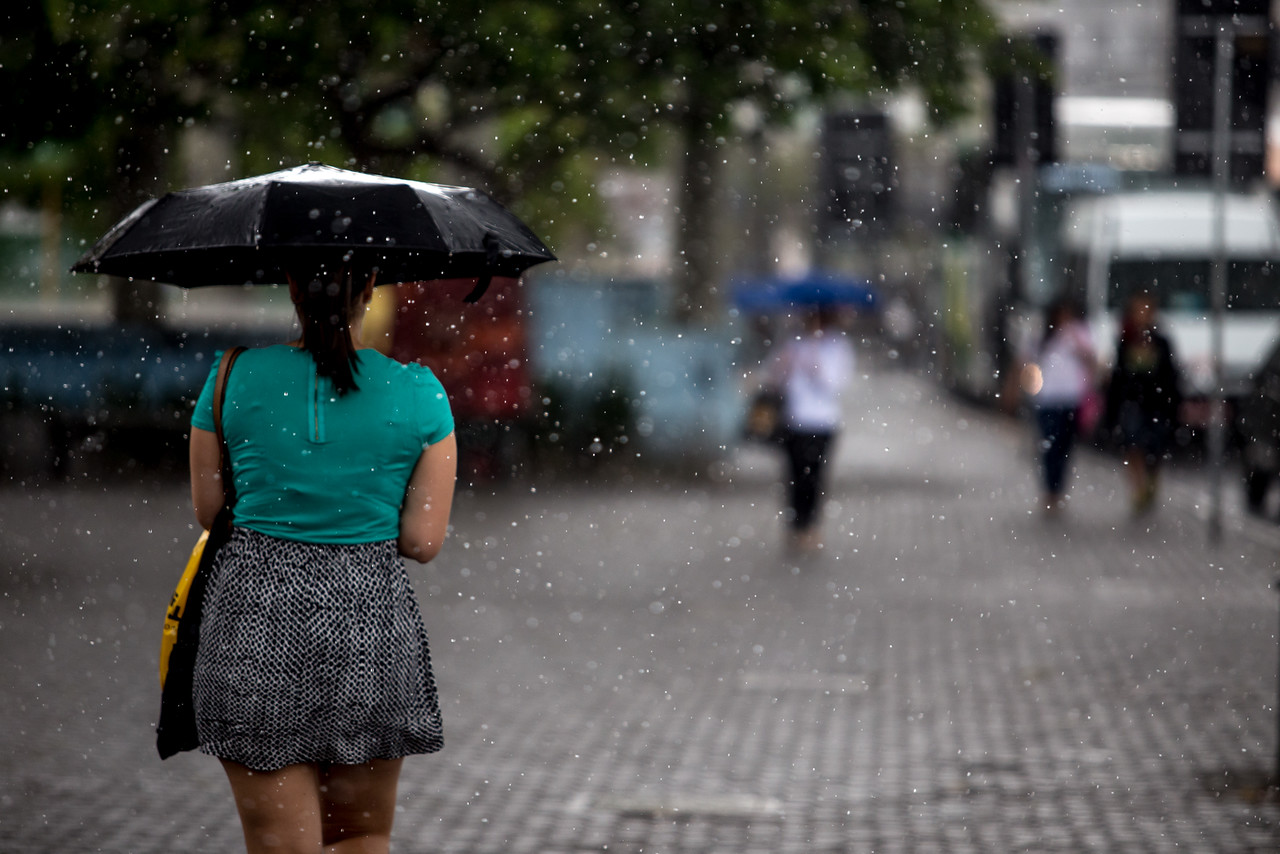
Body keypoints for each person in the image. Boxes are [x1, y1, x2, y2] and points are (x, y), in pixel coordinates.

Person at [188, 265, 457, 854]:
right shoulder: (419, 391)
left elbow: (211, 510)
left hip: (253, 630)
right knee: (362, 834)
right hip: (371, 634)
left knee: (278, 843)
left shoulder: (233, 375)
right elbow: (421, 541)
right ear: (369, 292)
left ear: (291, 288)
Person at [769, 306, 855, 553]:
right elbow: (774, 380)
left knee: (814, 476)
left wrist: (814, 365)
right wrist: (783, 365)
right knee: (793, 475)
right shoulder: (793, 344)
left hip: (822, 421)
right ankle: (795, 525)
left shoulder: (838, 346)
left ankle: (811, 526)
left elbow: (836, 384)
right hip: (793, 420)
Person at [1104, 292, 1181, 515]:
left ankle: (1150, 481)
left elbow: (1170, 376)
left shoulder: (1161, 343)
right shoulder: (1125, 342)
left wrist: (1172, 402)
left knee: (1154, 448)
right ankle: (1138, 487)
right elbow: (1118, 377)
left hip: (1156, 403)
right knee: (1133, 444)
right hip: (1132, 403)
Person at [1027, 297, 1096, 515]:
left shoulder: (1078, 333)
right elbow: (1026, 361)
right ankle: (1050, 489)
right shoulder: (1043, 336)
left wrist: (1076, 342)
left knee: (1065, 446)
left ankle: (1058, 488)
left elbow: (1092, 360)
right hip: (1047, 399)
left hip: (1071, 400)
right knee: (1049, 446)